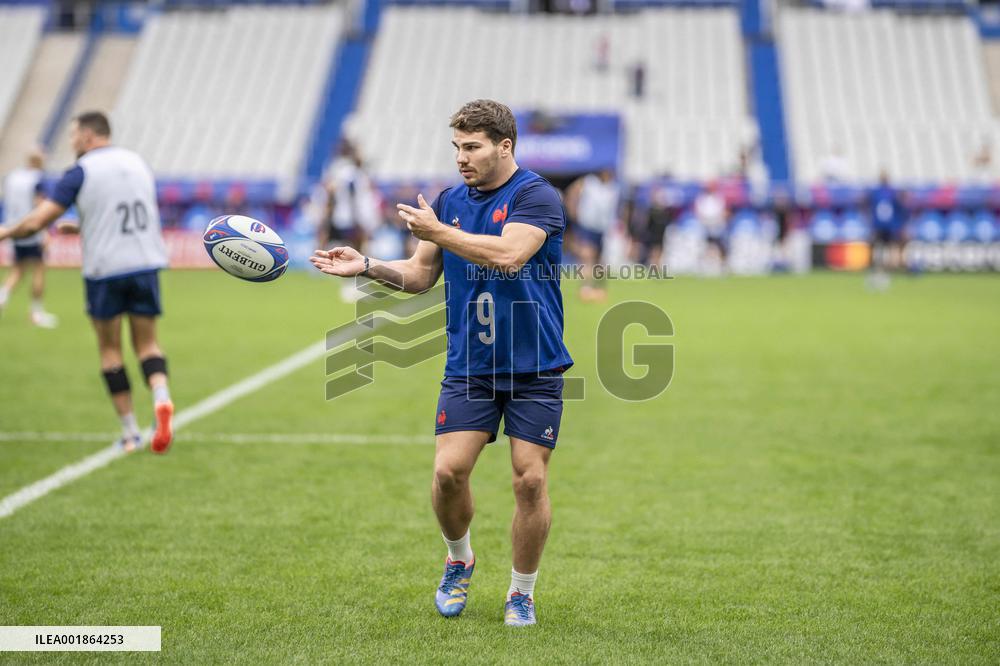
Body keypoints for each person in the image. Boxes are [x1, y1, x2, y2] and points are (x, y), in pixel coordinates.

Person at [311, 99, 573, 627]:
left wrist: (439, 233)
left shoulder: (537, 195)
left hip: (534, 365)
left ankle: (520, 592)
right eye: (456, 146)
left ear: (505, 147)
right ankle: (459, 560)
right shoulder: (451, 201)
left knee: (529, 482)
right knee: (449, 473)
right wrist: (367, 265)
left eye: (472, 147)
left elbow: (508, 254)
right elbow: (420, 275)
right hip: (470, 365)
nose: (461, 157)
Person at [0, 111, 174, 453]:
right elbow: (133, 217)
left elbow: (37, 222)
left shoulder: (80, 171)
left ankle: (129, 434)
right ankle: (162, 397)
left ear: (89, 136)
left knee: (110, 350)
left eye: (74, 135)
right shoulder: (137, 162)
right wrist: (82, 227)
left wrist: (5, 231)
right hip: (145, 263)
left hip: (105, 270)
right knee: (148, 344)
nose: (71, 142)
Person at [0, 148, 59, 327]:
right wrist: (48, 232)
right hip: (31, 230)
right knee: (39, 269)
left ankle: (2, 297)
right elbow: (41, 205)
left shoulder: (13, 177)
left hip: (14, 229)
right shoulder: (38, 179)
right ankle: (36, 312)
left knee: (18, 269)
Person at [566, 168, 620, 301]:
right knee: (587, 256)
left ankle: (598, 288)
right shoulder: (589, 182)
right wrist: (573, 210)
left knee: (600, 260)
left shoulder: (613, 188)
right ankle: (586, 288)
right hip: (587, 225)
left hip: (604, 227)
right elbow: (572, 192)